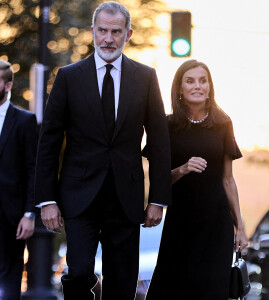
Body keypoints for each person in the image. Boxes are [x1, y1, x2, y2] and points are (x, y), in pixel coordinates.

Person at [34, 2, 171, 299]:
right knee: (80, 271)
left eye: (116, 32)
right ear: (93, 31)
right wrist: (47, 199)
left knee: (122, 280)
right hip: (78, 195)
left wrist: (158, 199)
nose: (108, 38)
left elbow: (159, 141)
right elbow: (49, 142)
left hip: (126, 196)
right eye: (103, 31)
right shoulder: (69, 77)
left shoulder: (146, 78)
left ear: (128, 34)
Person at [144, 60, 248, 300]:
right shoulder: (166, 125)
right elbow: (160, 181)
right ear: (179, 89)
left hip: (217, 223)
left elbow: (228, 180)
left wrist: (240, 227)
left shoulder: (223, 123)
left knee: (213, 290)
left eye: (203, 81)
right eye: (190, 81)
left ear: (210, 87)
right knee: (175, 288)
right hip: (181, 222)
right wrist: (183, 168)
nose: (197, 86)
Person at [0, 59, 37, 300]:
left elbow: (33, 170)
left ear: (8, 85)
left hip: (10, 215)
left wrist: (29, 214)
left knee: (9, 277)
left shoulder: (24, 121)